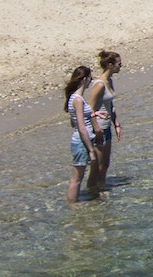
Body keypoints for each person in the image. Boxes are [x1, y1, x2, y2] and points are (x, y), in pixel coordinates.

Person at [86, 50, 122, 195]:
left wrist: (117, 124)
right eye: (119, 64)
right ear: (110, 65)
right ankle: (91, 193)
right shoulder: (99, 85)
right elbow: (89, 109)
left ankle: (100, 189)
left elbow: (110, 106)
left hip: (107, 127)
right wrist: (96, 129)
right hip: (98, 128)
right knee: (97, 165)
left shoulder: (110, 81)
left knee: (105, 164)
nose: (121, 66)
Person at [65, 64, 97, 203]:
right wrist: (91, 150)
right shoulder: (78, 100)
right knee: (76, 178)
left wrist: (94, 114)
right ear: (84, 79)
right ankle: (73, 205)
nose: (91, 80)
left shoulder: (73, 98)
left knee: (78, 177)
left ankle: (74, 202)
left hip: (80, 141)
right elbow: (81, 127)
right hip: (81, 142)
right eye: (90, 78)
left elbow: (74, 123)